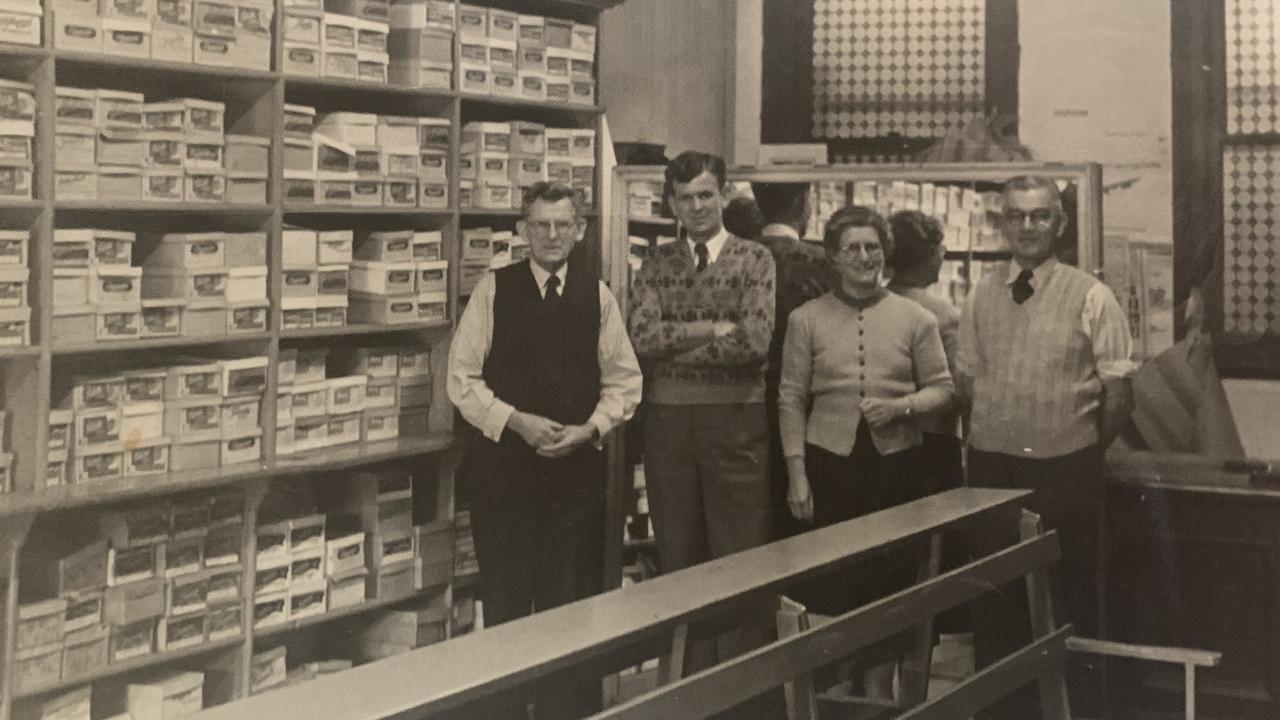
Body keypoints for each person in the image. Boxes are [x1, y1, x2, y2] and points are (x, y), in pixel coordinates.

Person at [447, 181, 642, 719]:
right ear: (521, 231)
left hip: (574, 478)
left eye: (563, 226)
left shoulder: (597, 295)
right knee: (507, 603)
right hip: (504, 475)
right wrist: (516, 422)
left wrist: (591, 429)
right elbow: (460, 380)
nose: (552, 236)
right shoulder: (493, 289)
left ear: (580, 231)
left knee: (569, 606)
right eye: (540, 225)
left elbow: (625, 382)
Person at [958, 175, 1135, 719]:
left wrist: (1072, 443)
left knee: (1069, 594)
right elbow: (968, 384)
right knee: (996, 599)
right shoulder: (981, 293)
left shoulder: (1093, 295)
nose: (1027, 227)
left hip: (1067, 472)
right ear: (1002, 222)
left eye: (1040, 216)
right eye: (1016, 216)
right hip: (992, 470)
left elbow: (1118, 397)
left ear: (1059, 223)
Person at [778, 205, 954, 700]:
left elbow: (943, 389)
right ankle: (833, 697)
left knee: (889, 585)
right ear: (833, 256)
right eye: (851, 248)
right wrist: (797, 474)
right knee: (834, 584)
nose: (863, 257)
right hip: (827, 468)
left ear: (885, 253)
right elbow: (791, 398)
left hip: (896, 469)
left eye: (872, 247)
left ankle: (878, 697)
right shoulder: (805, 319)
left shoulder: (916, 318)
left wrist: (903, 407)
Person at [627, 151, 777, 679]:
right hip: (668, 426)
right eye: (685, 197)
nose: (696, 206)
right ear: (670, 202)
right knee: (678, 555)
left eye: (705, 195)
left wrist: (679, 349)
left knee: (741, 556)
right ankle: (688, 691)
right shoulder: (655, 263)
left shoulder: (755, 259)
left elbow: (754, 342)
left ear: (725, 195)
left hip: (737, 422)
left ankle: (745, 691)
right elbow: (642, 337)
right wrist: (711, 330)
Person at [750, 181, 838, 539]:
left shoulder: (735, 255)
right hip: (809, 408)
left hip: (745, 406)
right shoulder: (821, 263)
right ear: (806, 202)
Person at [886, 210, 962, 493]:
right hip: (933, 441)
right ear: (930, 255)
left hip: (882, 441)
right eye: (940, 248)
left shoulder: (872, 305)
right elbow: (957, 389)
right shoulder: (944, 315)